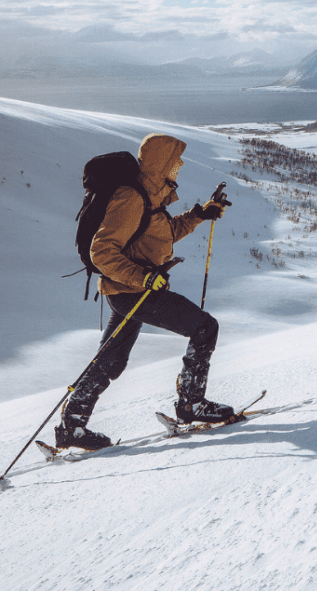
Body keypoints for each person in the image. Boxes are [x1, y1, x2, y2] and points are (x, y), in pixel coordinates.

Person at [55, 133, 233, 451]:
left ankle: (72, 426)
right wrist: (144, 279)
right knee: (205, 328)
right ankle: (191, 404)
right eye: (175, 161)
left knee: (112, 360)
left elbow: (159, 236)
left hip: (127, 290)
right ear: (161, 163)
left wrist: (199, 216)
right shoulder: (132, 198)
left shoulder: (149, 198)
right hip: (134, 291)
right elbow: (102, 251)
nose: (179, 166)